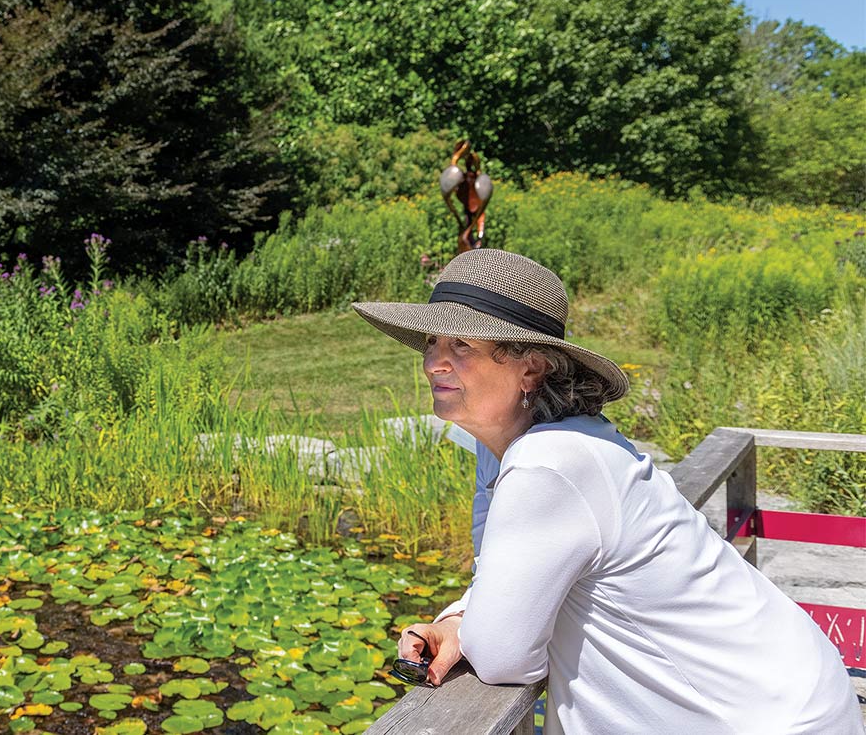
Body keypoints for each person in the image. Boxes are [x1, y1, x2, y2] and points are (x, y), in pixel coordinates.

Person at [352, 249, 862, 734]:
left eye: (461, 345)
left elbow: (505, 655)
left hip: (757, 716)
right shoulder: (544, 442)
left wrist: (474, 628)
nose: (435, 362)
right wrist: (462, 616)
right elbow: (504, 572)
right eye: (432, 343)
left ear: (532, 367)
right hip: (782, 688)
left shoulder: (549, 464)